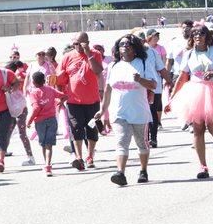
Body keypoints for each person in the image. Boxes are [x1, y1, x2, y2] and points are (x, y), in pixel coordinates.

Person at [166, 23, 213, 179]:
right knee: (198, 130)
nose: (197, 36)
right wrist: (171, 99)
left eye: (201, 33)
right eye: (195, 34)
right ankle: (203, 166)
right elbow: (182, 78)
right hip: (194, 93)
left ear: (207, 36)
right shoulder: (189, 54)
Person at [92, 34, 158, 185]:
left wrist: (140, 80)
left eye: (128, 43)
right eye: (122, 44)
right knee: (121, 142)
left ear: (135, 47)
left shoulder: (143, 63)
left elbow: (153, 85)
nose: (125, 46)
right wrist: (103, 110)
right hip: (119, 112)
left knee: (142, 143)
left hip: (139, 112)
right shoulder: (113, 66)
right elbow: (108, 89)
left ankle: (143, 170)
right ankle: (120, 173)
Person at [54, 32, 104, 170]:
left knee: (91, 129)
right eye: (75, 44)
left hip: (92, 100)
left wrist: (89, 55)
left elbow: (98, 71)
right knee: (76, 129)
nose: (77, 46)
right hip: (73, 101)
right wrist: (60, 96)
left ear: (87, 43)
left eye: (81, 44)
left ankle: (90, 156)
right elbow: (59, 77)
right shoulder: (67, 56)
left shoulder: (96, 54)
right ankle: (79, 157)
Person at [135, 31, 173, 148]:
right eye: (136, 41)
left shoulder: (153, 52)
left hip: (154, 87)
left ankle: (153, 138)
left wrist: (169, 82)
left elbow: (162, 69)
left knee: (152, 111)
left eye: (141, 41)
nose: (139, 43)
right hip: (138, 88)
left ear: (144, 41)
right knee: (141, 112)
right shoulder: (132, 53)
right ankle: (144, 137)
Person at [26, 71, 68, 176]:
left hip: (40, 120)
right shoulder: (50, 90)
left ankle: (46, 165)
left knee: (43, 144)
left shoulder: (34, 93)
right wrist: (60, 102)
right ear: (44, 81)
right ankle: (48, 165)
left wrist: (30, 120)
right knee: (49, 144)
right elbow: (65, 97)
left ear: (33, 83)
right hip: (52, 119)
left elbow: (36, 108)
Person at [3, 60, 35, 166]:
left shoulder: (14, 79)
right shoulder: (5, 78)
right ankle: (0, 158)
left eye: (5, 69)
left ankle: (30, 157)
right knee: (7, 134)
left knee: (22, 134)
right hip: (12, 109)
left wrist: (9, 88)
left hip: (19, 109)